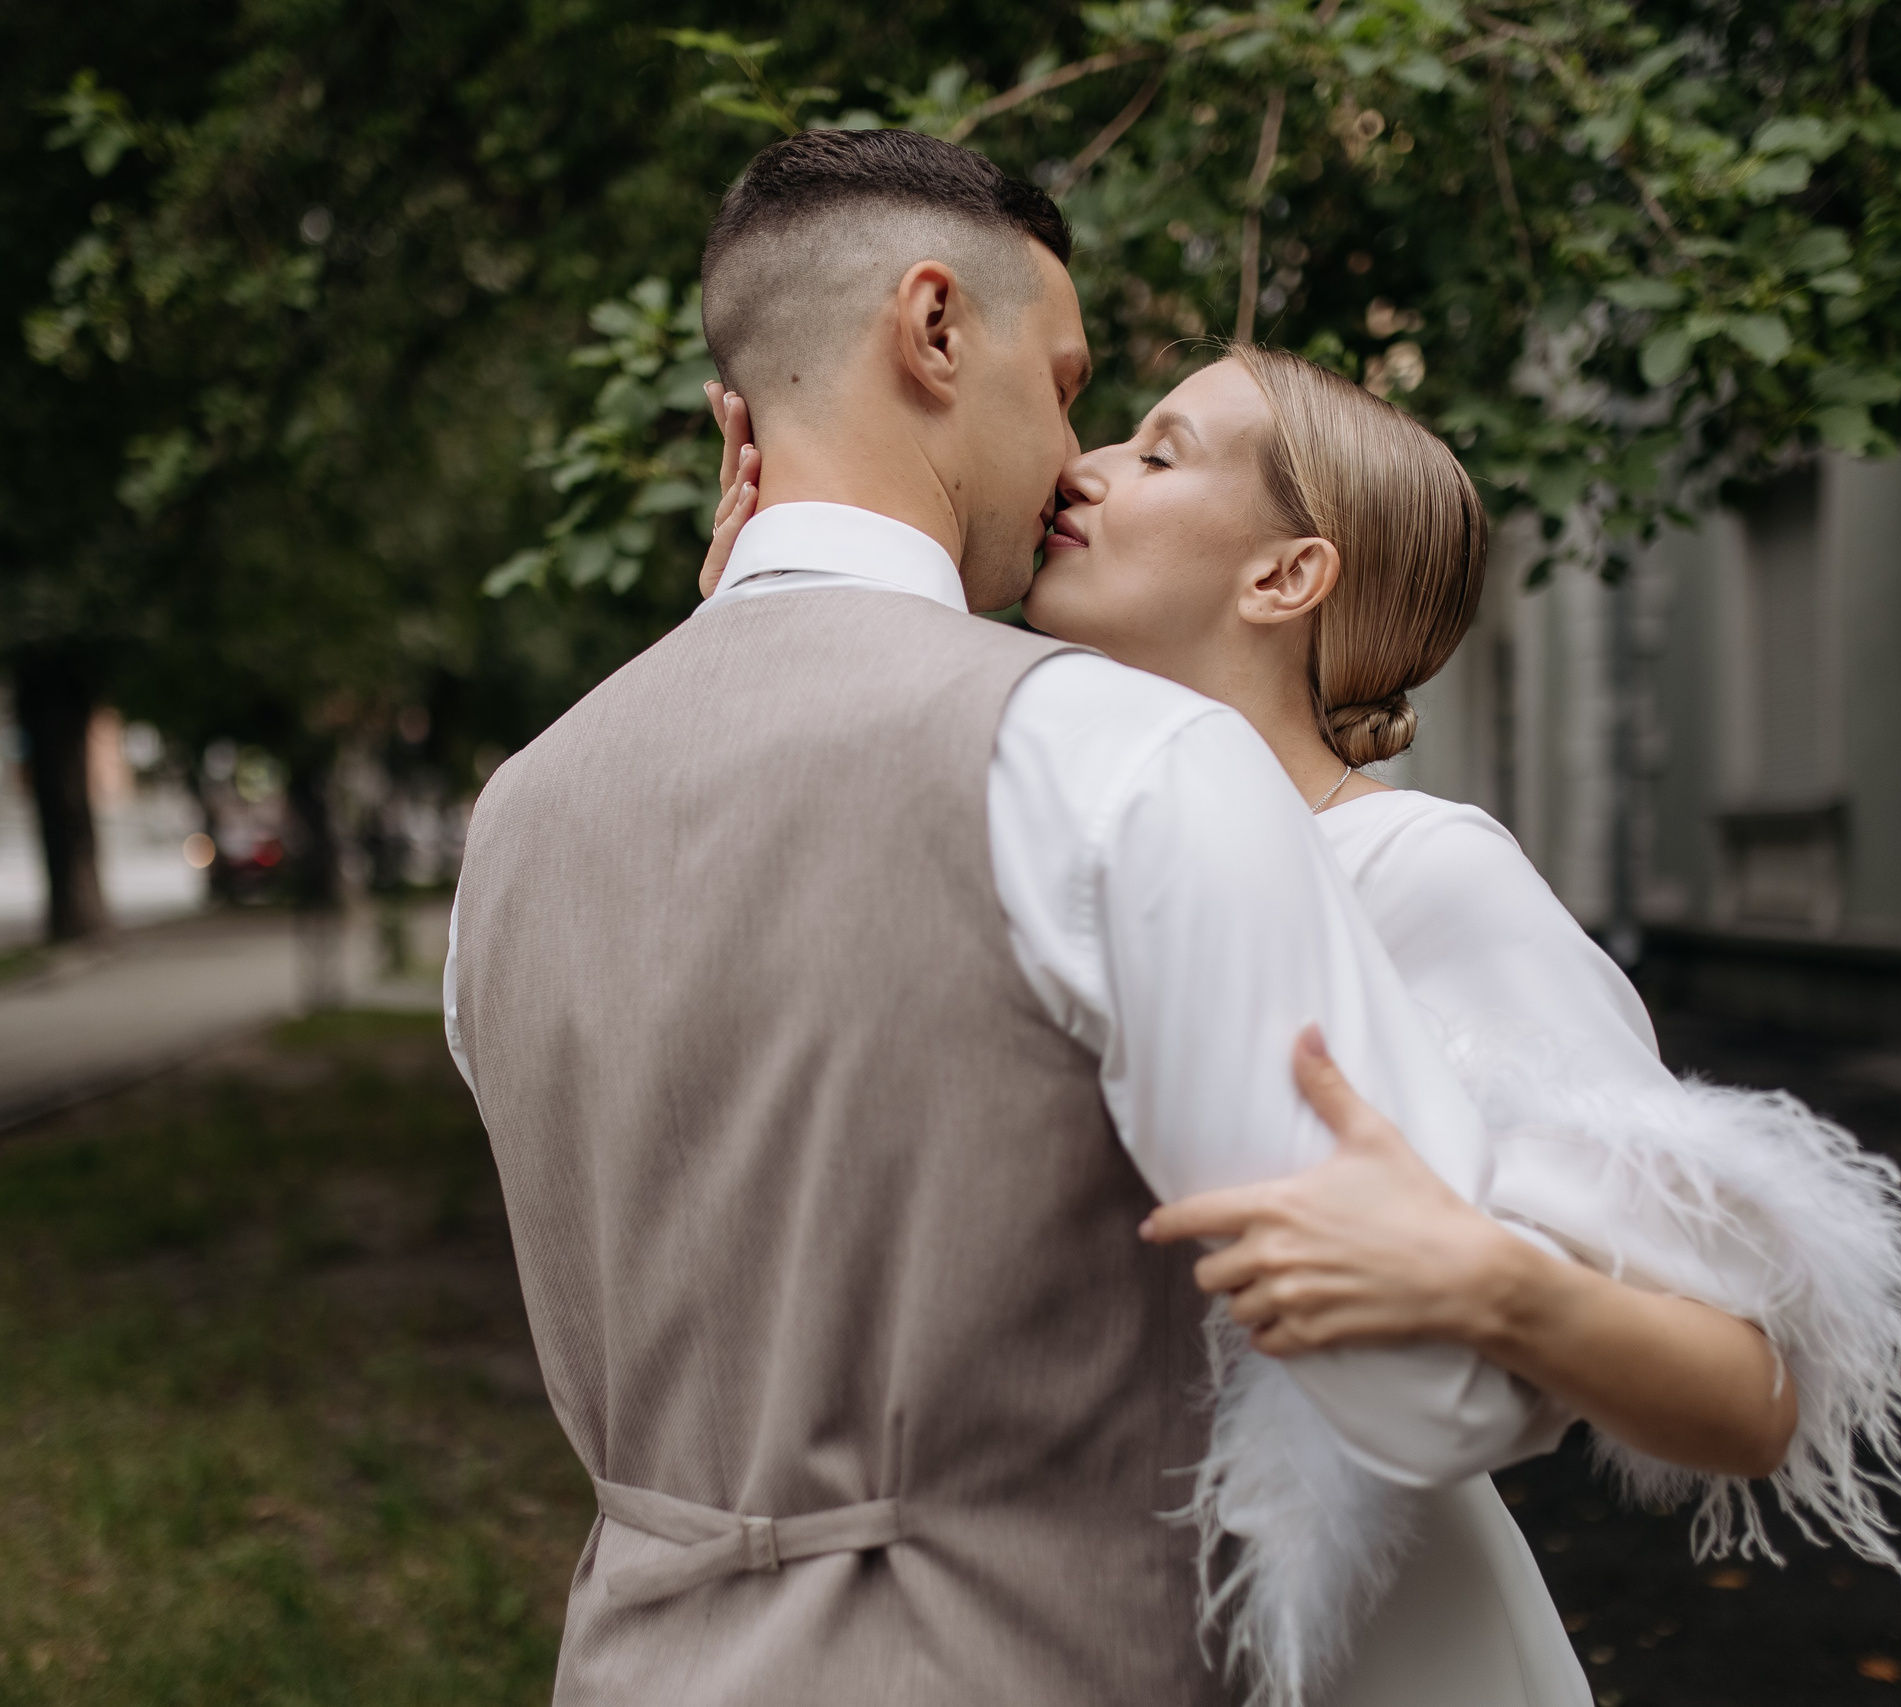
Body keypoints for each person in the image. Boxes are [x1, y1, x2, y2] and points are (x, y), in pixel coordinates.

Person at [447, 130, 1574, 1707]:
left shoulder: (520, 819)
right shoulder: (1120, 760)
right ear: (931, 330)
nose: (1073, 460)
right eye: (1063, 384)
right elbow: (1437, 1386)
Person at [696, 345, 1901, 1705]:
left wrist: (1496, 1283)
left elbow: (1750, 1392)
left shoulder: (1424, 873)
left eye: (1157, 452)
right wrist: (757, 652)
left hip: (1354, 1651)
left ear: (1283, 577)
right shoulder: (1024, 824)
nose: (1081, 466)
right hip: (1010, 1632)